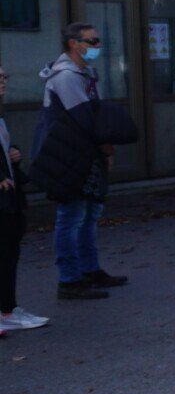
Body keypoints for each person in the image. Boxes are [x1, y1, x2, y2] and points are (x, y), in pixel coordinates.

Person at [32, 23, 135, 300]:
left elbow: (94, 115)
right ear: (74, 44)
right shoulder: (66, 77)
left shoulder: (85, 73)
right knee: (72, 216)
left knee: (89, 214)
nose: (97, 46)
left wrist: (103, 150)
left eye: (97, 40)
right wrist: (105, 147)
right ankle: (69, 279)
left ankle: (89, 270)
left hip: (84, 152)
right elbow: (84, 118)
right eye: (92, 41)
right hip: (68, 154)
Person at [0, 66, 46, 331]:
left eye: (4, 76)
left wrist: (13, 153)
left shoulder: (1, 116)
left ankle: (8, 308)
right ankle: (6, 310)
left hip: (10, 197)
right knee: (5, 254)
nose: (3, 81)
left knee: (9, 253)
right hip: (3, 198)